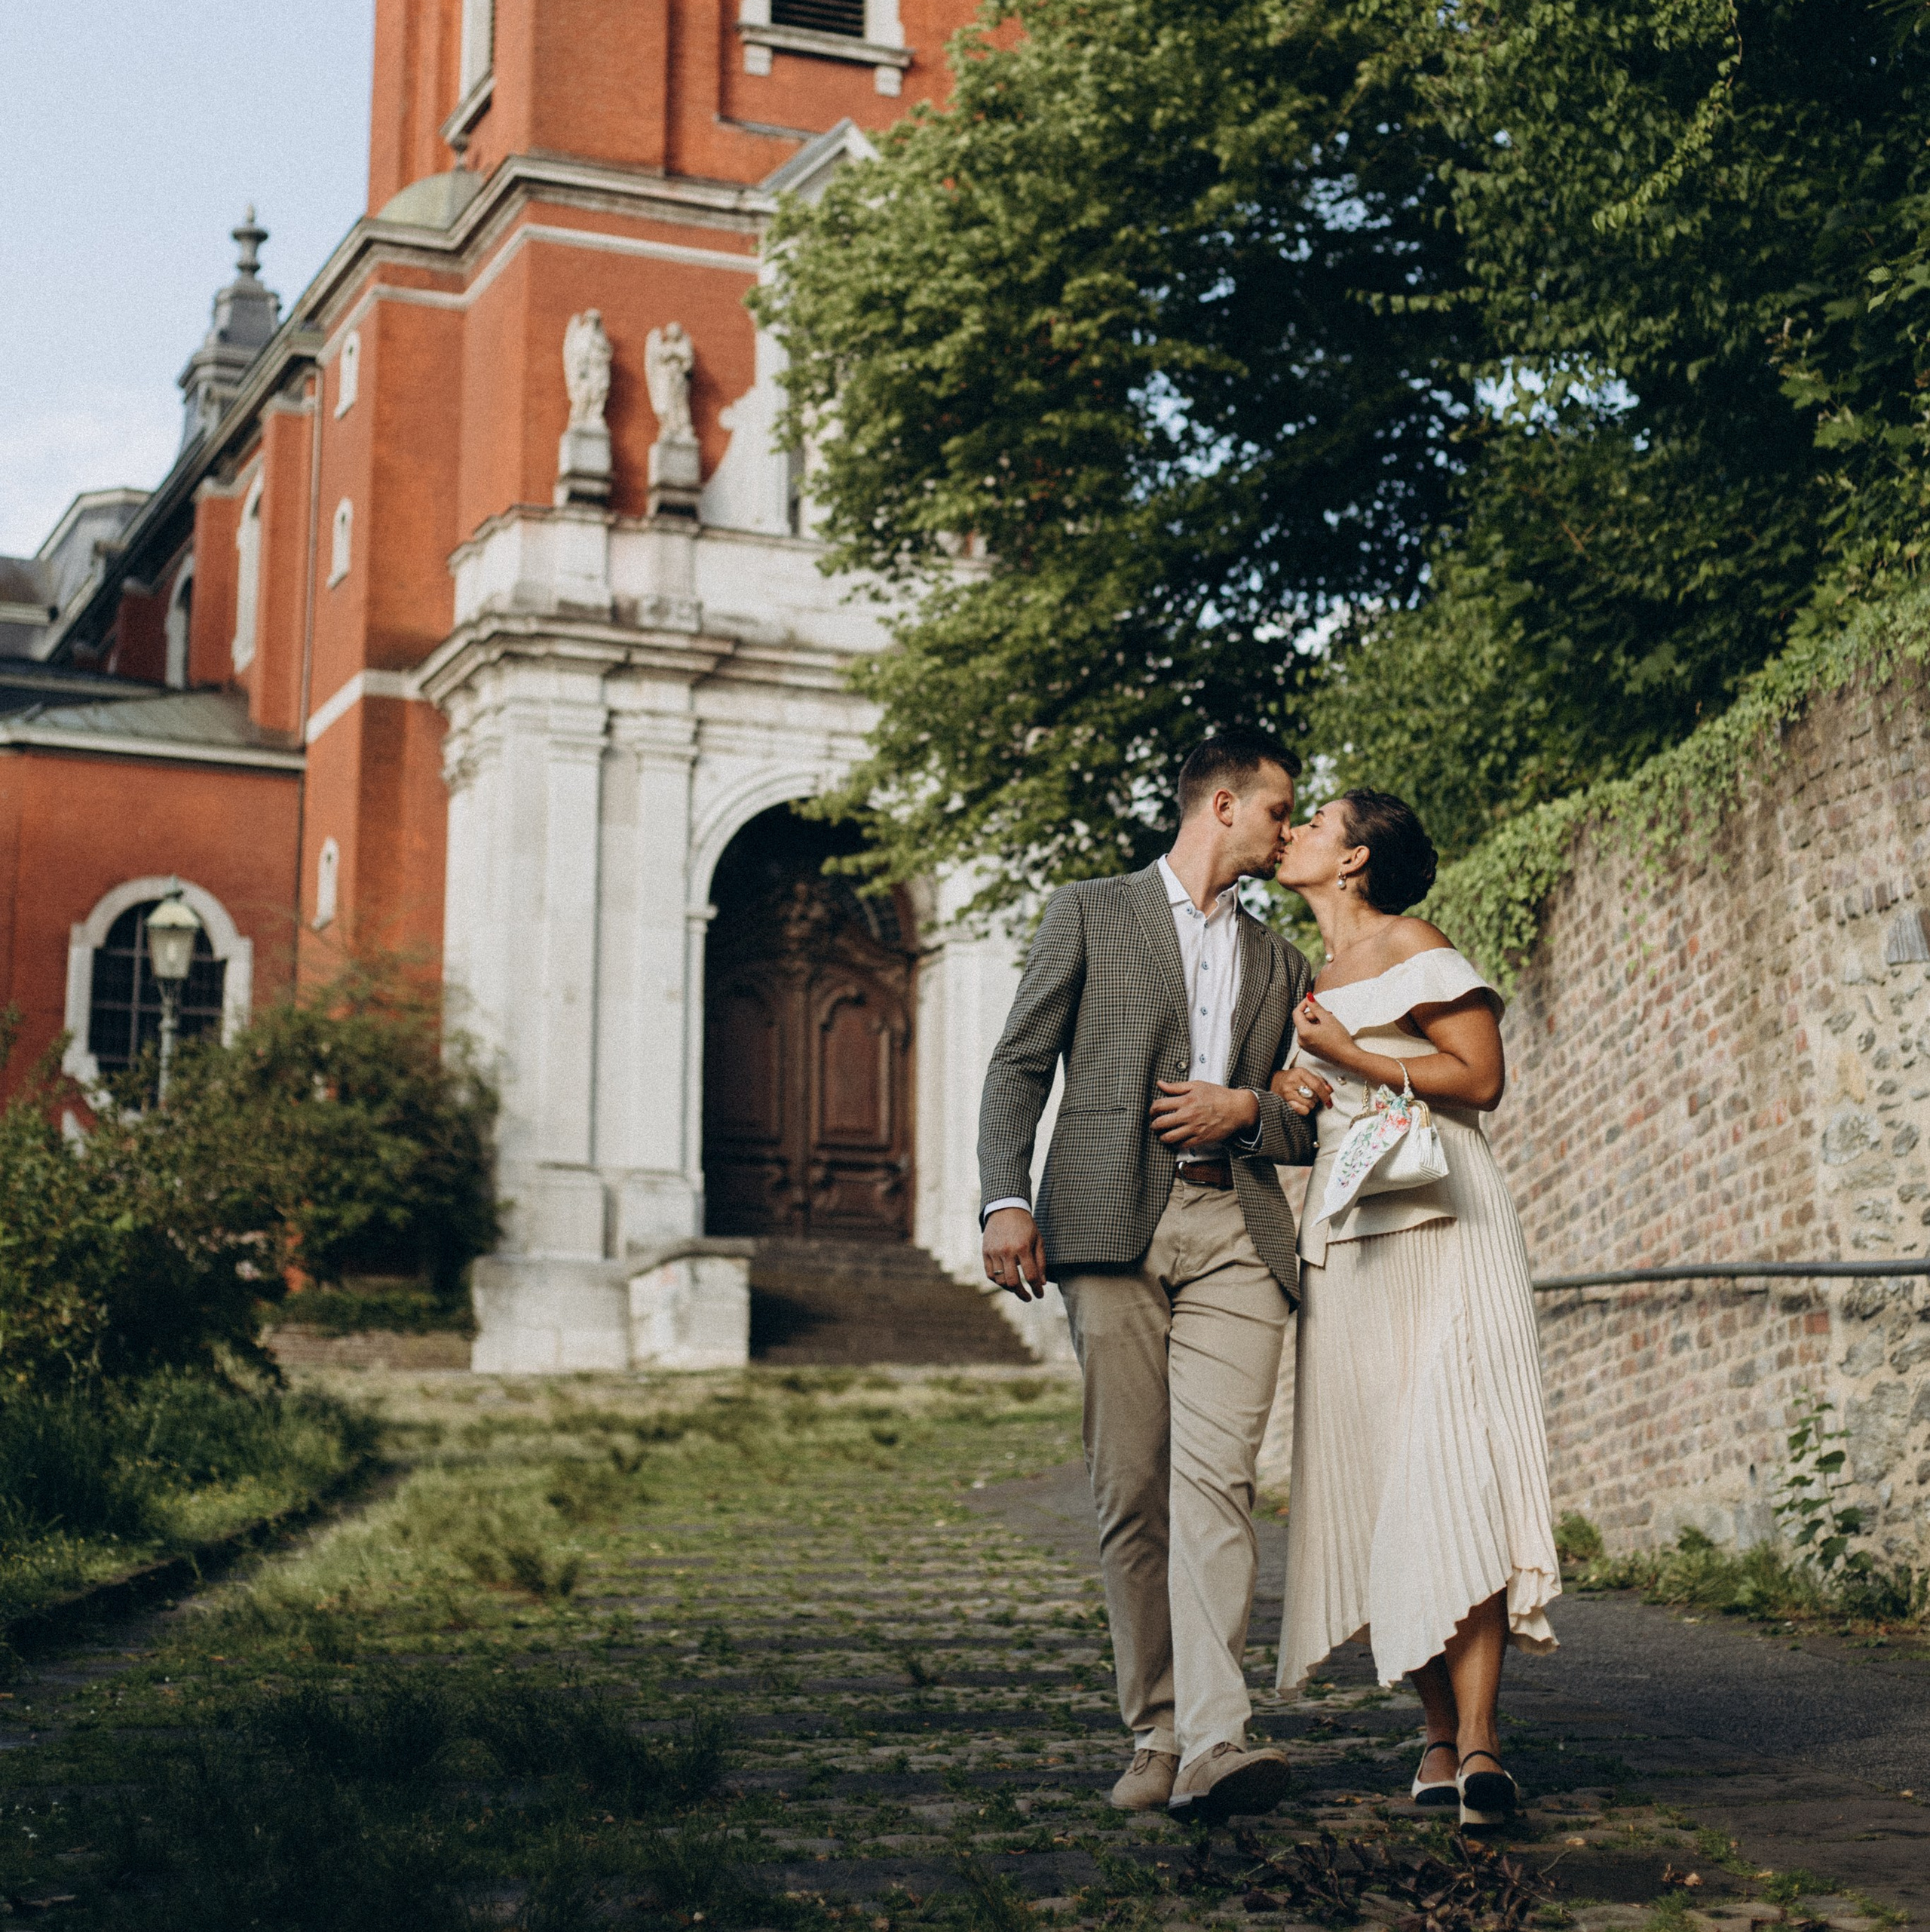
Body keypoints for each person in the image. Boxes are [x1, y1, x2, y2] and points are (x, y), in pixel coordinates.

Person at [979, 727, 1316, 1823]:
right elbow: (1021, 1061)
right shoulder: (1089, 910)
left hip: (1234, 1229)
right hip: (1108, 1226)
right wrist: (1006, 1198)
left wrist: (1246, 1111)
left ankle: (1220, 1739)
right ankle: (1155, 1730)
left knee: (1218, 1481)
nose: (1288, 829)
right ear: (1223, 804)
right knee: (1132, 1486)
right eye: (1278, 810)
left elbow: (1305, 1121)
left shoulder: (1282, 959)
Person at [1270, 788, 1559, 1829]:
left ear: (1354, 859)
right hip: (1350, 1240)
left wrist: (1347, 1056)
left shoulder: (1412, 941)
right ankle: (1435, 1733)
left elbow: (1479, 1077)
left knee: (1459, 1465)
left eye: (1316, 822)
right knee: (1391, 1484)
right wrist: (1294, 1094)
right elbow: (1313, 1109)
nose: (1294, 830)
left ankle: (1481, 1743)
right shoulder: (1305, 976)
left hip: (1448, 1227)